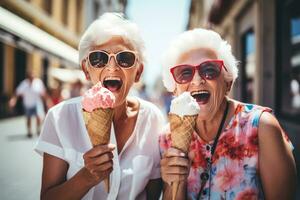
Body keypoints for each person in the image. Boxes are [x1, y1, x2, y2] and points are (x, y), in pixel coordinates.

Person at [35, 13, 163, 200]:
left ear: (138, 72)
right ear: (87, 70)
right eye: (98, 58)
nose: (112, 67)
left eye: (125, 58)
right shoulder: (59, 117)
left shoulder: (153, 119)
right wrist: (86, 177)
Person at [159, 28, 297, 200]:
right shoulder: (167, 138)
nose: (196, 80)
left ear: (227, 82)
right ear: (175, 89)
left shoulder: (262, 127)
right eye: (185, 73)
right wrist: (175, 183)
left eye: (209, 70)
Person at [9, 71, 46, 137]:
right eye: (30, 77)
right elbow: (17, 93)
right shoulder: (24, 84)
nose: (32, 79)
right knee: (29, 118)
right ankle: (29, 131)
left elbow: (43, 93)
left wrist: (47, 102)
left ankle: (38, 129)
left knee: (38, 116)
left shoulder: (38, 82)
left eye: (33, 77)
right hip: (28, 104)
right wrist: (13, 100)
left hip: (37, 103)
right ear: (27, 78)